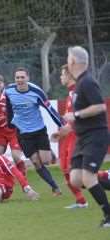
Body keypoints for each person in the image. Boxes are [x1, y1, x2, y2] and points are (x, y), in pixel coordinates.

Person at [62, 46, 109, 227]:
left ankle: (109, 216)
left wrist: (76, 115)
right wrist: (66, 129)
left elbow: (100, 107)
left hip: (95, 136)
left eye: (68, 58)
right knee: (76, 179)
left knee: (88, 177)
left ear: (73, 61)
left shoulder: (87, 82)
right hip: (83, 138)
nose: (67, 62)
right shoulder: (80, 83)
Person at [4, 67, 63, 195]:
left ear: (28, 78)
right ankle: (55, 187)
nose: (19, 80)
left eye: (22, 77)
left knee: (46, 161)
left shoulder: (37, 92)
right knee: (36, 162)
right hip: (23, 132)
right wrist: (9, 122)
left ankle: (49, 153)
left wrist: (62, 124)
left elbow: (50, 109)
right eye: (17, 77)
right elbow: (8, 106)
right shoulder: (8, 91)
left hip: (39, 130)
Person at [50, 65, 88, 209]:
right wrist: (61, 133)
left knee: (75, 171)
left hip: (77, 136)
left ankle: (105, 176)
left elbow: (78, 118)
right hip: (68, 136)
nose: (61, 77)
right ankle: (81, 201)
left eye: (62, 74)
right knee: (65, 169)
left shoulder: (76, 93)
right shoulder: (70, 94)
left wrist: (64, 130)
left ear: (70, 76)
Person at [0, 83, 27, 175]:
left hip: (13, 132)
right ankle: (4, 176)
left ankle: (22, 174)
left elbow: (20, 114)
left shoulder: (7, 101)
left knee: (16, 156)